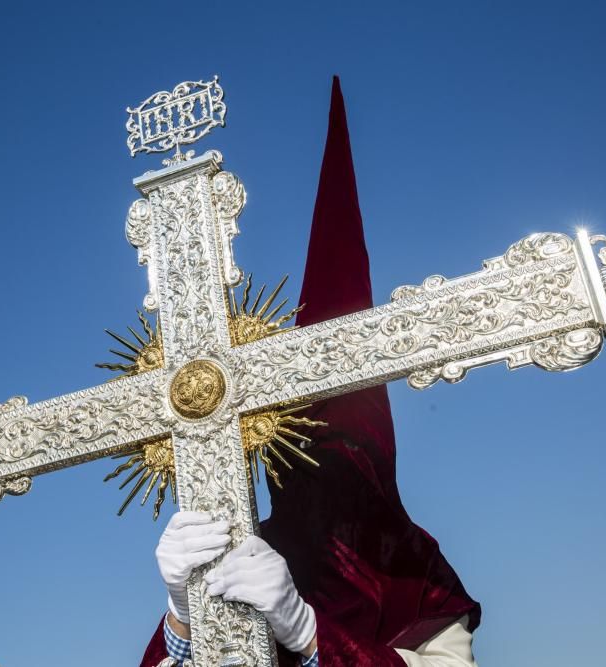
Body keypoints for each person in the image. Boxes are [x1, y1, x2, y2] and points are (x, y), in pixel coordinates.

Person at [139, 77, 480, 666]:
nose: (321, 473)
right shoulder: (244, 546)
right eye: (300, 456)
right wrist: (182, 617)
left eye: (340, 449)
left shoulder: (413, 570)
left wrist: (311, 636)